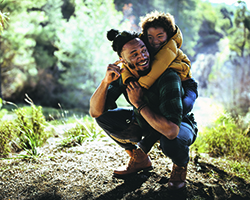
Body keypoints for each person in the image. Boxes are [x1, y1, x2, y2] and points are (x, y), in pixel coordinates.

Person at [89, 29, 197, 191]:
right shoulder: (125, 74)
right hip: (144, 121)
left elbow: (172, 130)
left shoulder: (168, 76)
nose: (142, 56)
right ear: (122, 60)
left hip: (179, 124)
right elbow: (95, 112)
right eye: (134, 54)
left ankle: (180, 166)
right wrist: (105, 82)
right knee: (104, 118)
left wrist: (139, 103)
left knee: (171, 141)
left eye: (144, 50)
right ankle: (139, 159)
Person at [121, 11, 198, 115]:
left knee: (184, 106)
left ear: (168, 35)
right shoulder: (144, 47)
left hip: (186, 84)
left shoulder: (169, 49)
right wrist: (129, 79)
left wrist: (140, 87)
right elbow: (126, 64)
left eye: (160, 36)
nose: (155, 41)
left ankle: (180, 124)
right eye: (150, 37)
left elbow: (157, 68)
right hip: (165, 83)